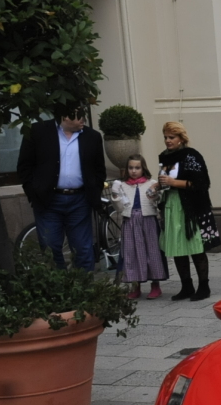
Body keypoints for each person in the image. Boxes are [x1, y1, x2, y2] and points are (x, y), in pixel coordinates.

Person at [17, 109, 105, 271]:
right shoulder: (38, 131)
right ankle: (60, 289)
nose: (83, 120)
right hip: (48, 200)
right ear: (65, 116)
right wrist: (34, 192)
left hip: (79, 200)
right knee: (50, 248)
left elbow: (99, 170)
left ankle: (84, 290)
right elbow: (25, 166)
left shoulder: (92, 137)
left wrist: (94, 191)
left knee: (83, 249)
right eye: (79, 117)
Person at [157, 121, 218, 301]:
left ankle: (204, 286)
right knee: (177, 247)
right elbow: (165, 179)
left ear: (181, 138)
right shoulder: (164, 156)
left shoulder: (191, 156)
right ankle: (186, 286)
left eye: (171, 137)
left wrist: (174, 183)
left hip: (190, 207)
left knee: (195, 246)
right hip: (171, 205)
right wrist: (157, 185)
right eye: (166, 137)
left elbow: (202, 184)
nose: (168, 141)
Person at [110, 154, 167, 299]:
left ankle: (155, 285)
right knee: (132, 253)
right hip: (130, 222)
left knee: (152, 252)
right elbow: (119, 208)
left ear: (143, 168)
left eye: (137, 167)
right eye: (130, 168)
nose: (134, 171)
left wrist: (154, 193)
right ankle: (136, 286)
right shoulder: (123, 185)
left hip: (148, 220)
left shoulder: (151, 183)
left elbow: (157, 202)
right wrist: (115, 195)